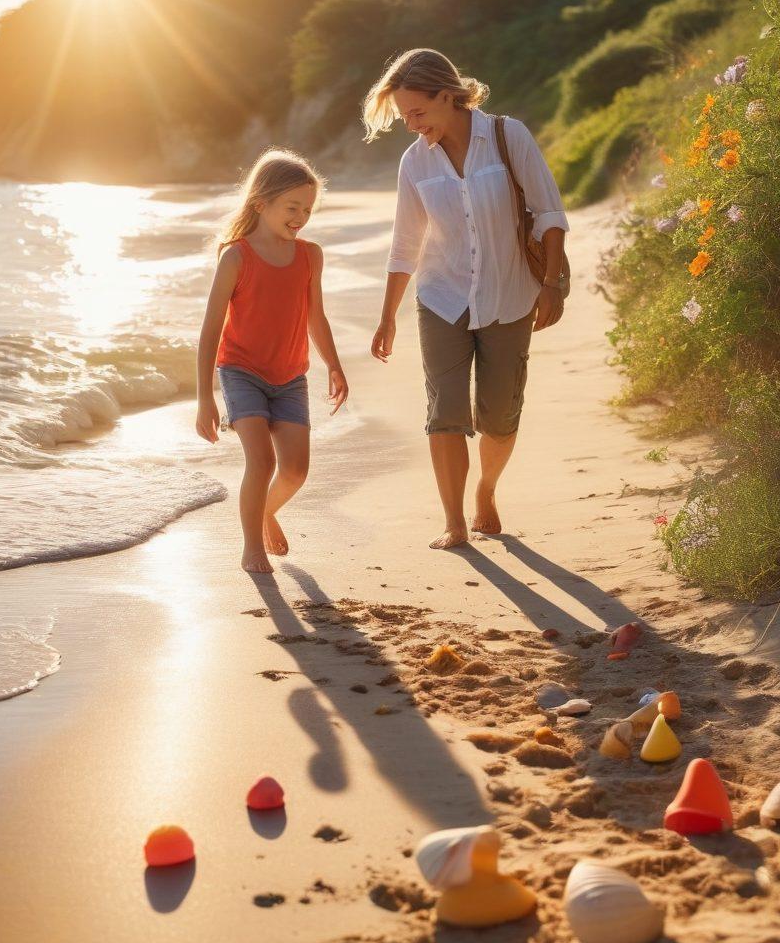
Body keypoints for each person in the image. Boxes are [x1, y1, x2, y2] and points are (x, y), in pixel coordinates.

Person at [364, 48, 569, 549]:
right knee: (445, 411)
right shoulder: (414, 163)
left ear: (448, 96)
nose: (411, 125)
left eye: (417, 112)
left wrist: (550, 283)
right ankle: (454, 523)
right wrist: (387, 316)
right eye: (403, 116)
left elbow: (548, 212)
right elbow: (405, 244)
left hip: (510, 292)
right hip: (441, 297)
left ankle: (486, 489)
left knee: (499, 414)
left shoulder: (506, 136)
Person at [196, 149, 348, 573]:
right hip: (241, 371)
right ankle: (252, 549)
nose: (300, 216)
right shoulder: (236, 256)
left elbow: (315, 316)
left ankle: (265, 511)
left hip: (289, 377)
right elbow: (210, 331)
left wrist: (334, 365)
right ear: (261, 203)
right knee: (260, 461)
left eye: (307, 209)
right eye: (291, 207)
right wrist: (205, 400)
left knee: (296, 471)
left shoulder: (309, 256)